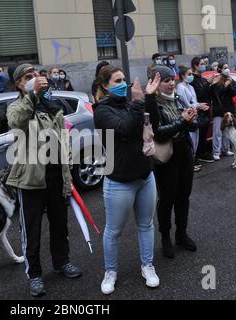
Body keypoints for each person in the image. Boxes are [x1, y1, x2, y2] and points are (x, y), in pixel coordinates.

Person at [6, 63, 82, 297]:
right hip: (30, 178)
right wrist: (33, 94)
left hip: (55, 175)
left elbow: (64, 140)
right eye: (29, 77)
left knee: (60, 224)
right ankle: (35, 274)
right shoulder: (18, 105)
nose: (36, 78)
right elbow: (16, 121)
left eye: (37, 75)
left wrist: (67, 173)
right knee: (32, 230)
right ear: (19, 83)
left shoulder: (52, 105)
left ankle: (62, 262)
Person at [93, 65, 161, 294]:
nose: (123, 83)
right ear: (105, 86)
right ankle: (110, 272)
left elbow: (154, 124)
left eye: (124, 79)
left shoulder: (131, 104)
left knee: (146, 225)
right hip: (119, 181)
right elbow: (124, 129)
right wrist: (138, 102)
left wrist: (149, 98)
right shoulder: (102, 110)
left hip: (145, 176)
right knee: (114, 231)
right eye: (117, 80)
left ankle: (147, 266)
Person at [146, 66, 202, 259]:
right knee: (167, 199)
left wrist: (192, 118)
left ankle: (181, 234)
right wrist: (183, 122)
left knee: (183, 195)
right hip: (166, 157)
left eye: (173, 80)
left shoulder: (177, 99)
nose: (171, 84)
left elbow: (193, 125)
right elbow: (158, 132)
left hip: (184, 152)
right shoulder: (153, 105)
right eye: (166, 80)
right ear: (156, 83)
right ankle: (165, 239)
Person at [176, 66, 211, 172]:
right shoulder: (181, 87)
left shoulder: (190, 87)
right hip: (187, 117)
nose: (191, 76)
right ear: (183, 76)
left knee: (195, 140)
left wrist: (199, 105)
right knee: (190, 140)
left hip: (194, 116)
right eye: (189, 74)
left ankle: (194, 160)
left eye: (191, 74)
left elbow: (194, 101)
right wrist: (198, 106)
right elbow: (185, 104)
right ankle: (190, 163)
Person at [208, 63, 236, 160]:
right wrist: (225, 85)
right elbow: (216, 93)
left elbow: (234, 92)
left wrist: (229, 85)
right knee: (217, 131)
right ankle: (216, 152)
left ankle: (226, 149)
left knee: (227, 131)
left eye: (228, 67)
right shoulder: (217, 79)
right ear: (220, 70)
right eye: (225, 68)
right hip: (219, 110)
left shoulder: (230, 79)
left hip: (229, 109)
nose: (227, 70)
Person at [190, 57, 214, 163]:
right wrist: (207, 83)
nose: (204, 65)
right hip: (199, 110)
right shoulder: (193, 80)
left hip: (206, 109)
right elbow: (198, 94)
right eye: (202, 63)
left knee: (204, 133)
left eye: (204, 63)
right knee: (198, 134)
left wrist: (212, 84)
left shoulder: (202, 78)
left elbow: (208, 93)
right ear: (196, 65)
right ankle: (198, 154)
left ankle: (203, 153)